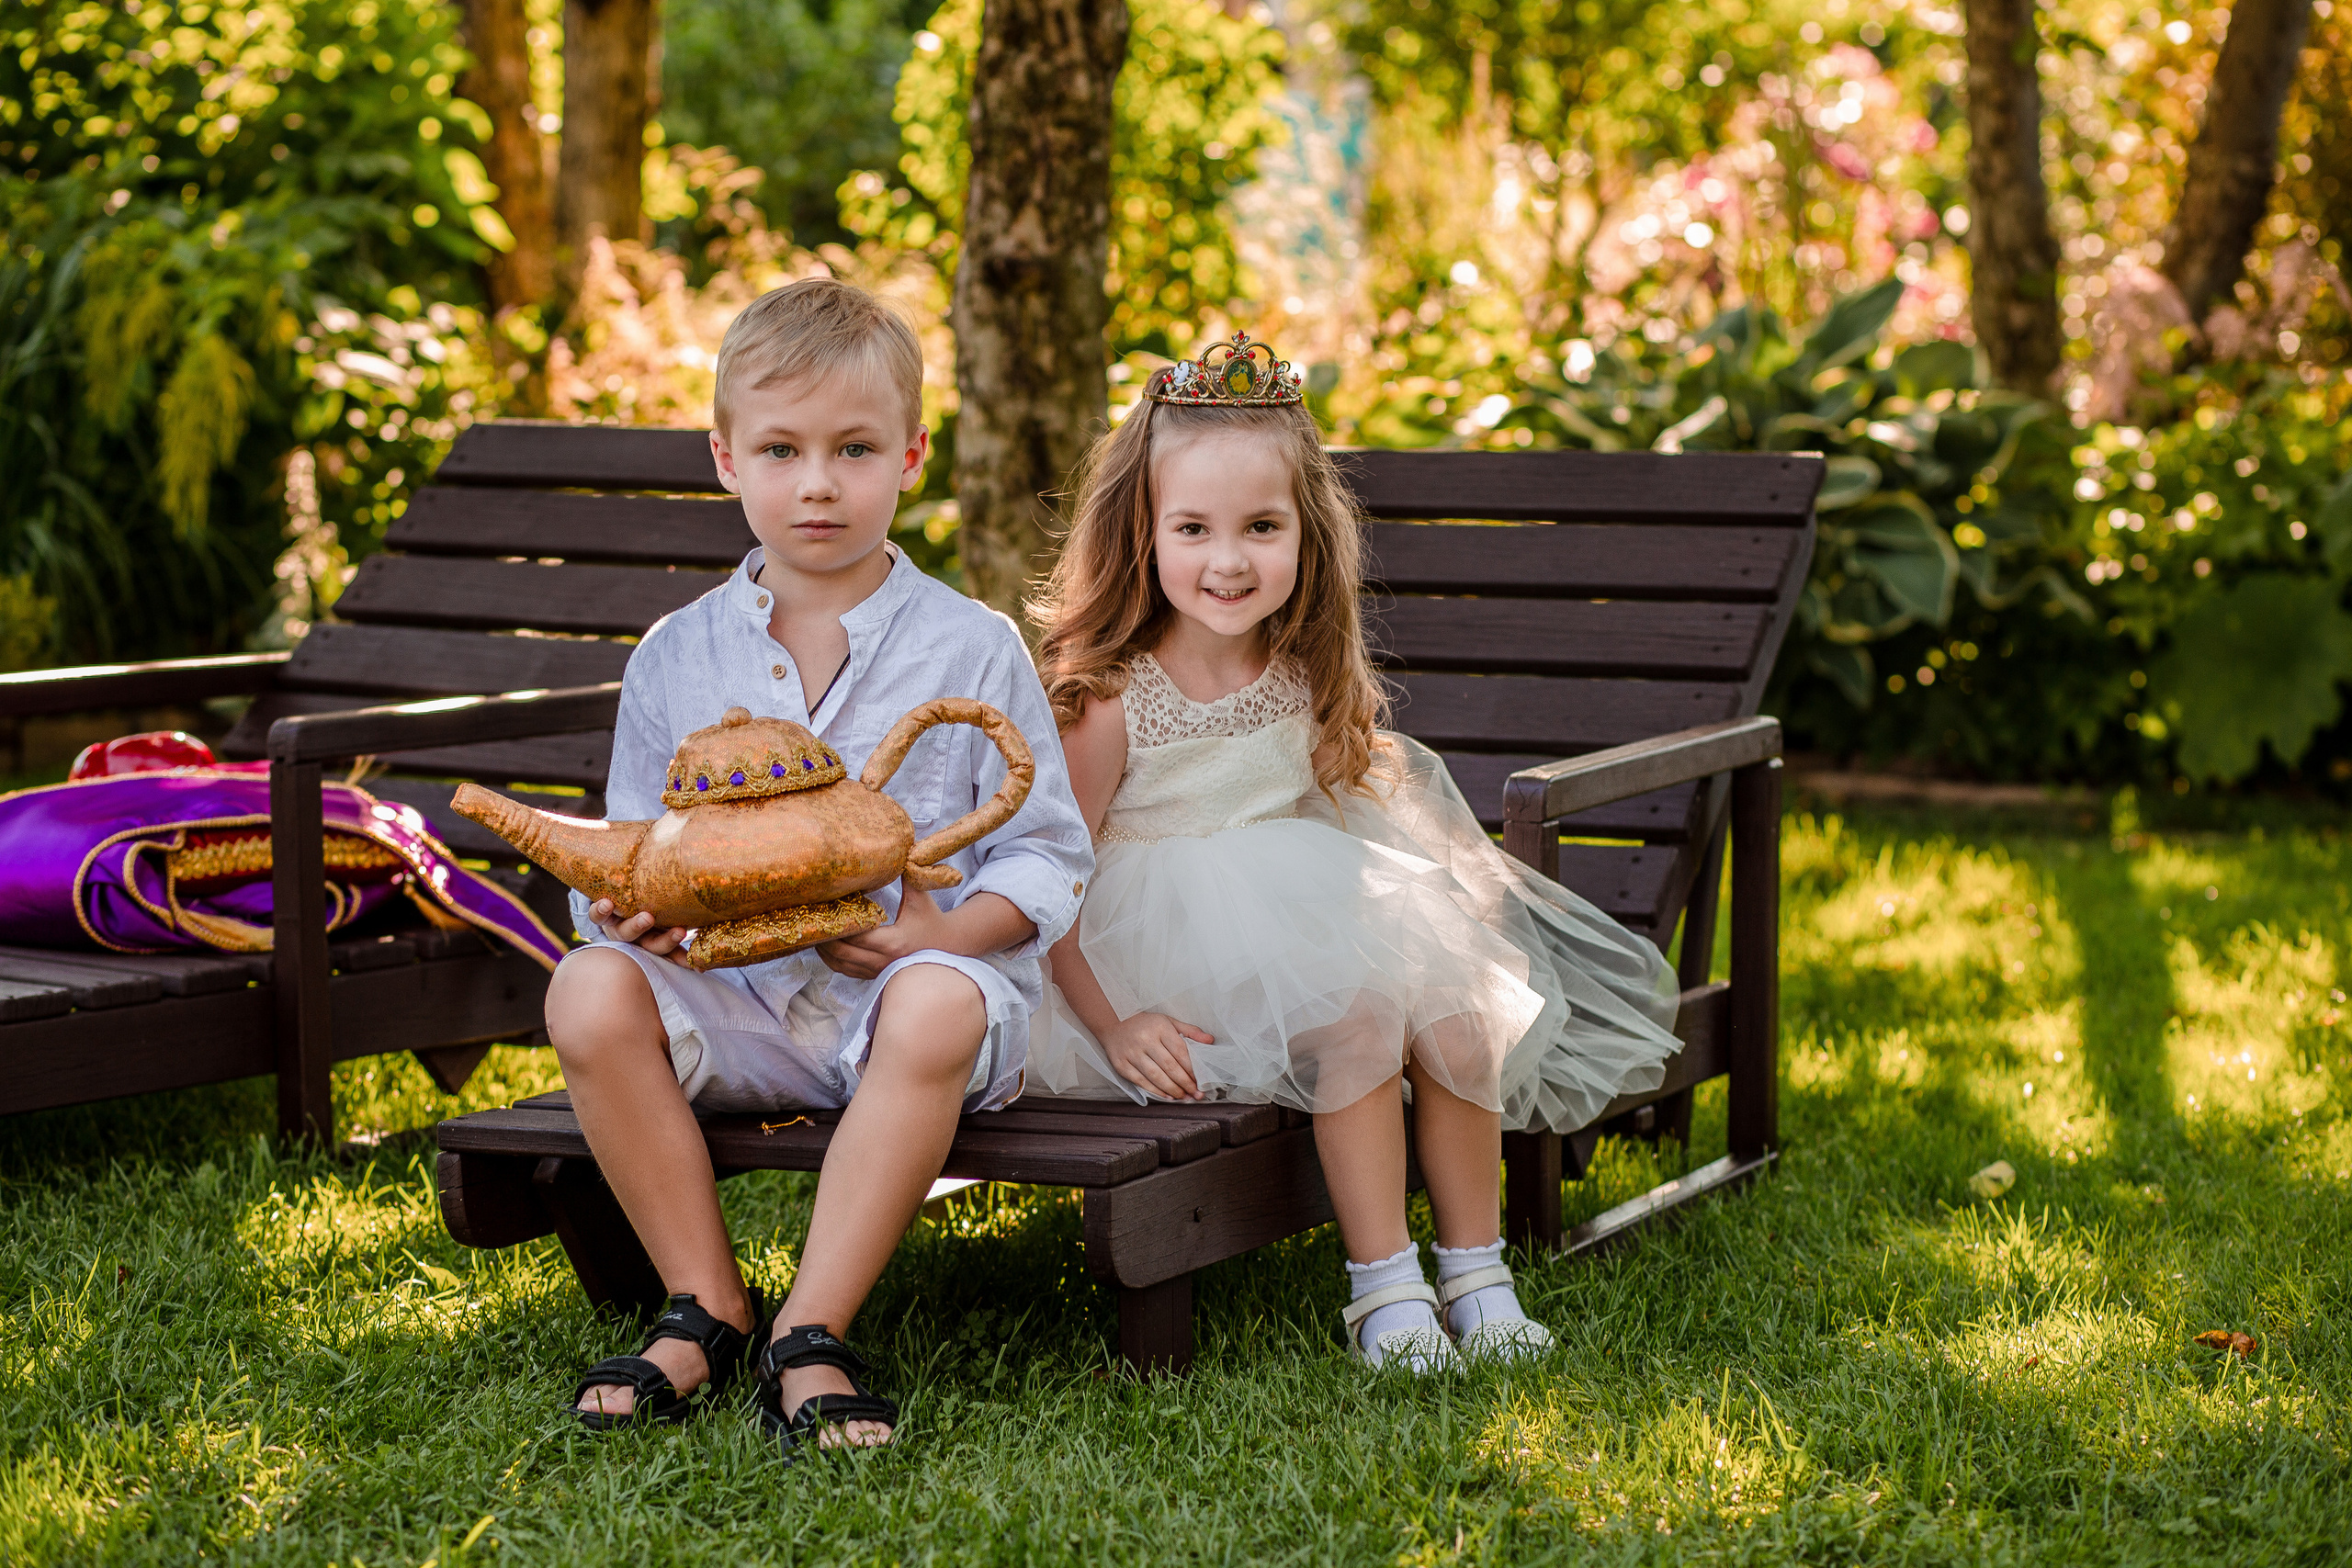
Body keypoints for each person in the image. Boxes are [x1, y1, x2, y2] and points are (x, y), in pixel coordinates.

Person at [1027, 332, 1683, 1371]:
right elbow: (1046, 878)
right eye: (1192, 528)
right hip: (1145, 957)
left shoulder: (1301, 670)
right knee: (1365, 1019)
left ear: (1306, 534)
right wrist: (1112, 1023)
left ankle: (1478, 1273)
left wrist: (1452, 900)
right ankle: (1383, 1291)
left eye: (1261, 526)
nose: (1229, 559)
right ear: (1141, 534)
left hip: (1298, 913)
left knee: (1463, 1014)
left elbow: (1365, 799)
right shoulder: (1108, 701)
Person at [547, 277, 1091, 1450]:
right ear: (724, 458)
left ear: (911, 456)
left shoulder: (970, 645)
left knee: (939, 1001)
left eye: (853, 449)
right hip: (735, 1008)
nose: (817, 483)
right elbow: (642, 848)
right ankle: (705, 1303)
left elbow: (1046, 854)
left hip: (908, 1017)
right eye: (781, 450)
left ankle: (813, 1330)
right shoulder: (676, 655)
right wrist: (628, 914)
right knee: (584, 987)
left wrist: (943, 936)